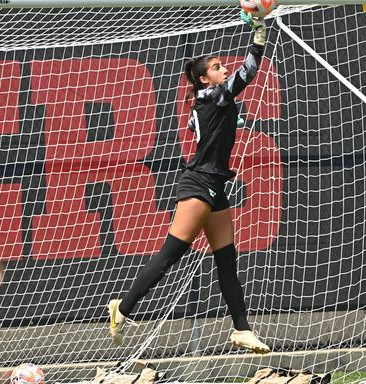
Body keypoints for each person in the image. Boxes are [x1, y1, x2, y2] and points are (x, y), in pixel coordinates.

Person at [107, 11, 271, 354]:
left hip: (215, 185)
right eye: (216, 67)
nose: (223, 68)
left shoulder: (212, 99)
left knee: (226, 261)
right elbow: (248, 73)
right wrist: (258, 31)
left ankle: (241, 329)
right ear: (203, 79)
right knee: (171, 255)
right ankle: (122, 309)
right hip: (198, 184)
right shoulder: (212, 97)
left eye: (221, 65)